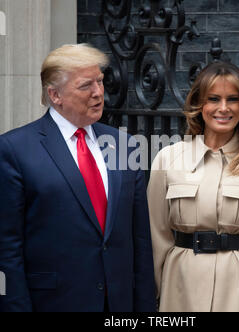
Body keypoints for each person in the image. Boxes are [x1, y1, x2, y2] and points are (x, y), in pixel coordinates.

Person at [0, 44, 156, 312]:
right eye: (86, 86)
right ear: (55, 95)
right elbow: (7, 249)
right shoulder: (15, 149)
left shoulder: (125, 145)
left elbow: (139, 239)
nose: (98, 93)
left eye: (100, 81)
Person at [147, 61, 239, 312]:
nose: (223, 108)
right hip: (180, 287)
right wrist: (152, 296)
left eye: (233, 99)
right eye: (213, 99)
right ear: (199, 104)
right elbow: (155, 237)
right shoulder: (168, 159)